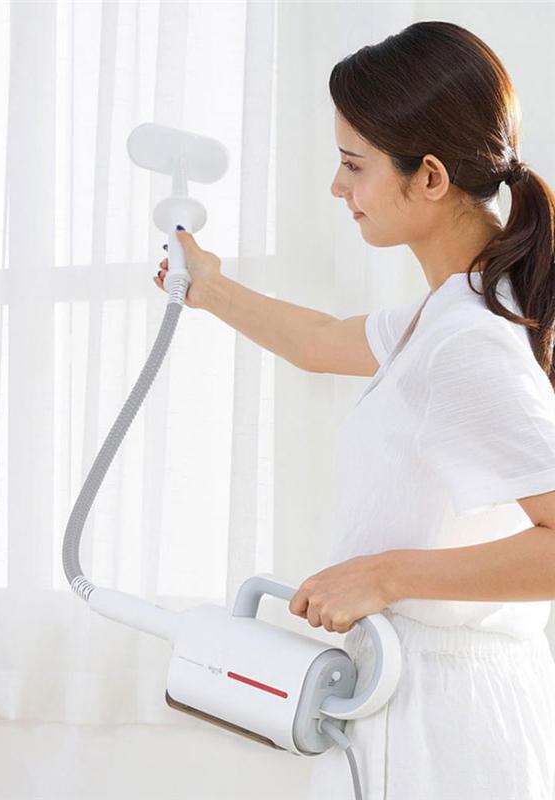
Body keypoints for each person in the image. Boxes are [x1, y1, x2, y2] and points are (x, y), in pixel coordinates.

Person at [156, 20, 555, 800]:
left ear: (429, 177)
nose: (337, 188)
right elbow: (318, 341)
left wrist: (385, 575)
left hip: (449, 724)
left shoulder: (466, 342)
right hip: (430, 698)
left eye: (352, 164)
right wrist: (204, 285)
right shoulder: (457, 313)